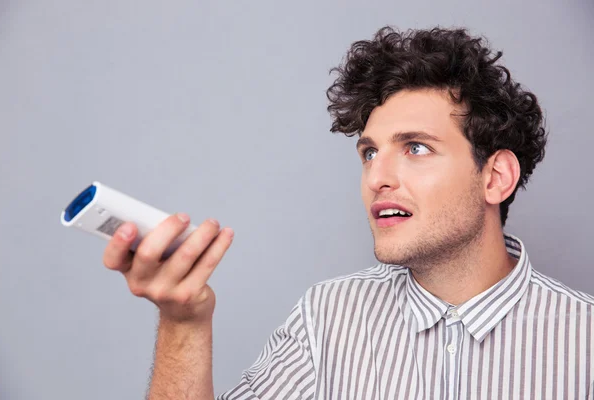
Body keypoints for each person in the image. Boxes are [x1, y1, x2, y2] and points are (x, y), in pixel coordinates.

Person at [102, 26, 594, 399]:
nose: (378, 177)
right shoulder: (327, 317)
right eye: (369, 152)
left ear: (495, 178)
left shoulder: (584, 340)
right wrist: (183, 322)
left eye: (416, 148)